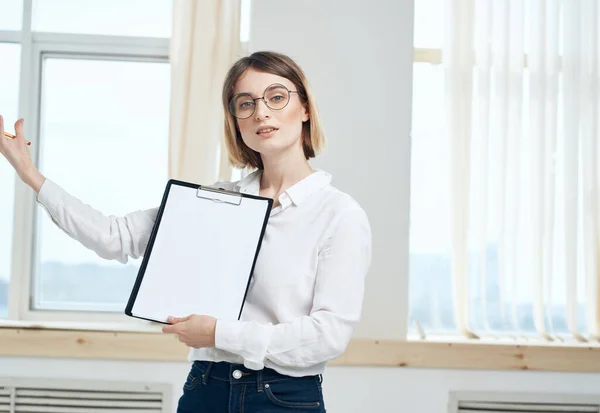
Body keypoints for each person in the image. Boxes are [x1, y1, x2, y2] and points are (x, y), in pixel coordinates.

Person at [0, 51, 372, 413]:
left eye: (276, 97)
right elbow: (113, 236)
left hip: (284, 397)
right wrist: (29, 175)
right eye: (245, 104)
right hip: (205, 388)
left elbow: (328, 335)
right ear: (237, 122)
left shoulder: (338, 215)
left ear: (305, 108)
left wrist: (219, 333)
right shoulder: (211, 202)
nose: (261, 111)